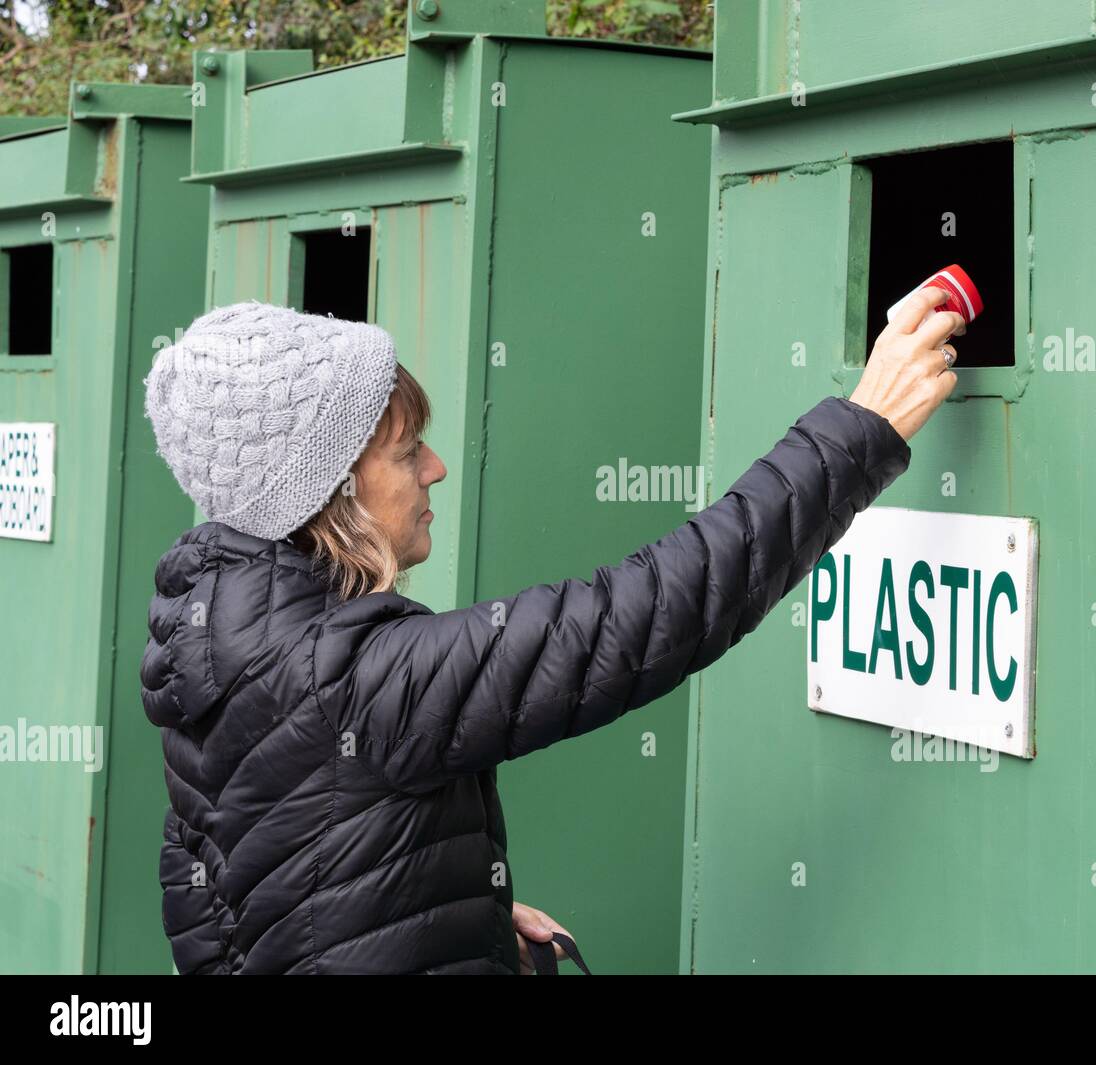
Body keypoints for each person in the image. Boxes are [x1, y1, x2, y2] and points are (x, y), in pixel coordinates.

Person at [140, 288, 962, 974]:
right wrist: (862, 424)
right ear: (331, 492)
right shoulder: (357, 676)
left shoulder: (215, 647)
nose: (436, 468)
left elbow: (231, 907)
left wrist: (443, 911)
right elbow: (652, 612)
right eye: (406, 449)